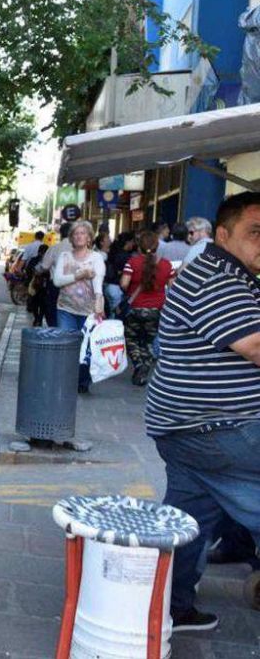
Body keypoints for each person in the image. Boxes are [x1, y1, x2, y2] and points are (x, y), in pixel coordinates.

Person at [145, 191, 260, 633]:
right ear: (224, 233)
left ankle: (171, 605)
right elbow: (254, 345)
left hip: (186, 428)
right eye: (254, 232)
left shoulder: (232, 274)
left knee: (189, 516)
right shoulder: (218, 277)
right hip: (219, 427)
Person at [51, 220, 105, 393]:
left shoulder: (96, 258)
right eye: (76, 234)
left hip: (88, 311)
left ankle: (83, 381)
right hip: (65, 308)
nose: (79, 236)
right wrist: (79, 274)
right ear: (71, 238)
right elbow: (57, 281)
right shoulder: (64, 256)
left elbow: (98, 284)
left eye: (83, 233)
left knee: (87, 347)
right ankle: (67, 380)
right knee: (67, 345)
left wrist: (99, 305)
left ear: (89, 238)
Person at [120, 231, 174, 386]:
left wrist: (129, 289)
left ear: (139, 246)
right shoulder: (166, 265)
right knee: (149, 341)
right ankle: (146, 365)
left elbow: (124, 283)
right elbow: (173, 287)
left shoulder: (133, 263)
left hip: (135, 308)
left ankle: (138, 363)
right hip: (157, 309)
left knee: (131, 338)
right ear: (157, 246)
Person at [38, 222, 74, 328]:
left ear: (61, 234)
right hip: (74, 286)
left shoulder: (54, 248)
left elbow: (44, 267)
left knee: (52, 310)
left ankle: (55, 331)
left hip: (56, 286)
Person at [103, 232, 136, 316]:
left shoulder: (113, 253)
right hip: (117, 288)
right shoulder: (126, 257)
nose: (133, 244)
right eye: (132, 241)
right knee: (117, 314)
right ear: (127, 242)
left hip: (108, 285)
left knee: (111, 312)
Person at [25, 244, 49, 326]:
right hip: (36, 285)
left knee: (41, 303)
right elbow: (28, 269)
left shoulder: (48, 261)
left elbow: (28, 269)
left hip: (43, 286)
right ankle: (38, 318)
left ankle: (39, 319)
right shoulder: (35, 260)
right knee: (36, 303)